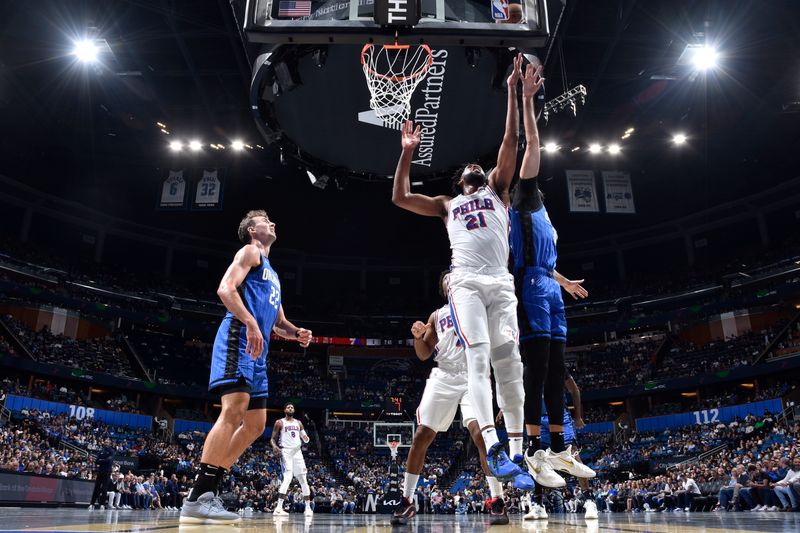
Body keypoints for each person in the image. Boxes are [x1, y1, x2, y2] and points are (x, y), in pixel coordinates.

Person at [391, 53, 529, 483]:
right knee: (478, 354)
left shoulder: (500, 189)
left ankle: (517, 450)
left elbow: (511, 142)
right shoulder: (447, 204)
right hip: (466, 281)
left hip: (501, 282)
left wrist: (510, 91)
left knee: (509, 361)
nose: (474, 165)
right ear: (460, 181)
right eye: (468, 168)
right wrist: (407, 154)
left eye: (478, 165)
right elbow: (400, 196)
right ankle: (492, 444)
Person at [180, 210, 313, 524]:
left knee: (255, 424)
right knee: (234, 409)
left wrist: (296, 333)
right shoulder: (250, 251)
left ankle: (209, 492)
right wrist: (251, 322)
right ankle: (198, 496)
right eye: (267, 219)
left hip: (258, 349)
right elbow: (225, 289)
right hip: (239, 336)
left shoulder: (273, 274)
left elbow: (279, 323)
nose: (273, 222)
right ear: (252, 230)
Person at [506, 56, 592, 495]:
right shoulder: (521, 199)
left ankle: (559, 445)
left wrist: (564, 281)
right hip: (530, 289)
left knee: (558, 368)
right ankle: (533, 449)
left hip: (548, 286)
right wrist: (526, 100)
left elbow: (545, 261)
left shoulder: (543, 217)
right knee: (537, 369)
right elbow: (530, 142)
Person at [391, 272, 523, 526]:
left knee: (481, 435)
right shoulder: (436, 315)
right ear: (444, 288)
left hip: (474, 374)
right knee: (421, 435)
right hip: (445, 376)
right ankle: (407, 500)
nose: (453, 279)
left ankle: (497, 500)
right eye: (447, 279)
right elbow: (423, 354)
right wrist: (419, 338)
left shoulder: (481, 305)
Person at [271, 403, 314, 517]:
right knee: (288, 477)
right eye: (288, 407)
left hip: (297, 452)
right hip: (286, 452)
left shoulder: (299, 423)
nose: (290, 408)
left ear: (294, 410)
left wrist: (306, 438)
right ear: (285, 410)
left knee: (303, 479)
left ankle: (308, 508)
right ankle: (278, 508)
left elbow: (305, 439)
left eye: (292, 407)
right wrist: (275, 447)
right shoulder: (279, 422)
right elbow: (272, 439)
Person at [88, 438, 114, 510]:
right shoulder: (101, 451)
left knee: (104, 488)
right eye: (105, 442)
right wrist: (103, 460)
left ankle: (102, 504)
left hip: (107, 471)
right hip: (100, 471)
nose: (105, 443)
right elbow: (97, 461)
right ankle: (92, 504)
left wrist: (101, 460)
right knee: (96, 487)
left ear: (109, 443)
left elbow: (109, 460)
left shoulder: (111, 451)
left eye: (107, 442)